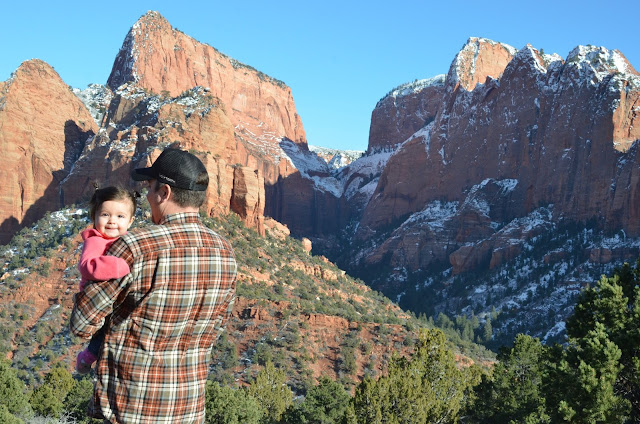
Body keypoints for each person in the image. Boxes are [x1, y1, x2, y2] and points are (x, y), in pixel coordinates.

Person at [70, 148, 237, 423]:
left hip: (131, 407)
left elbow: (81, 325)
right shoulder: (225, 251)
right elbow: (218, 326)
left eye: (149, 187)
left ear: (165, 193)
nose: (147, 196)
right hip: (188, 407)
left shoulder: (135, 246)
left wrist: (88, 279)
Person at [75, 186, 137, 374]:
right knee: (104, 333)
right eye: (105, 215)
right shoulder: (95, 240)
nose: (112, 221)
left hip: (116, 296)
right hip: (97, 296)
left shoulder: (128, 241)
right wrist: (118, 266)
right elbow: (86, 265)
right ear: (94, 217)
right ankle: (87, 357)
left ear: (131, 221)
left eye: (120, 216)